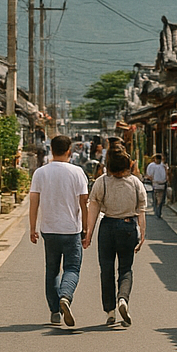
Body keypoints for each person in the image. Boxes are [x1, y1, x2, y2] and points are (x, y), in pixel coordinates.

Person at [28, 134, 90, 328]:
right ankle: (65, 296)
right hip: (71, 229)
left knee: (52, 270)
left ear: (51, 150)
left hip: (49, 228)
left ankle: (55, 311)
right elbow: (84, 203)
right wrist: (87, 228)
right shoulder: (77, 172)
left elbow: (34, 202)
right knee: (72, 267)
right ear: (69, 151)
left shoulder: (40, 172)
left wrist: (32, 228)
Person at [83, 148, 145, 327]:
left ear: (108, 166)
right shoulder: (135, 183)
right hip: (128, 227)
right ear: (128, 166)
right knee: (125, 269)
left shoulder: (102, 182)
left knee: (106, 270)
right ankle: (123, 300)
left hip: (107, 226)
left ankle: (110, 311)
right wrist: (142, 236)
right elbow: (141, 211)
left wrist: (89, 233)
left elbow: (93, 207)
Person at [144, 153, 169, 219]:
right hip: (155, 183)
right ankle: (157, 210)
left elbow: (166, 174)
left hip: (161, 183)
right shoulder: (152, 166)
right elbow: (149, 175)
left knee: (160, 198)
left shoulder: (163, 166)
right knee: (156, 197)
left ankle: (158, 211)